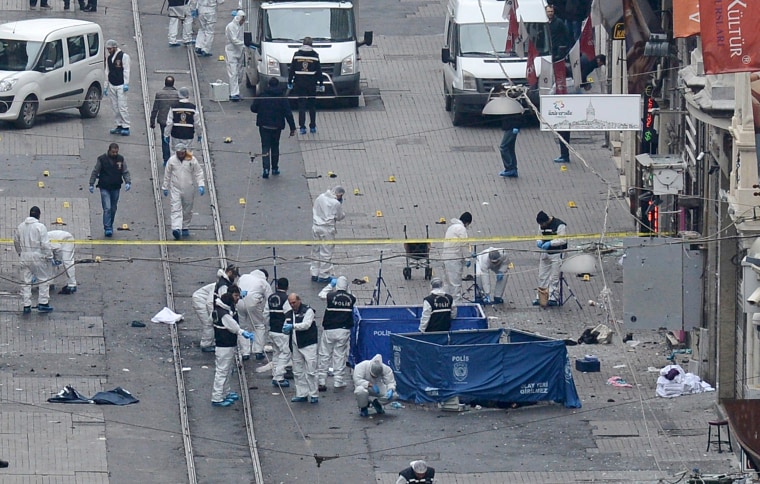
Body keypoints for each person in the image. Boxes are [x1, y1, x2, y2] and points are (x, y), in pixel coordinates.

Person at [211, 288, 255, 407]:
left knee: (226, 370)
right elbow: (233, 326)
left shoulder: (218, 310)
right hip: (225, 345)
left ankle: (225, 392)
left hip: (225, 344)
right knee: (222, 371)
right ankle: (217, 397)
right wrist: (243, 333)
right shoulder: (224, 315)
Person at [250, 77, 296, 178]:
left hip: (264, 125)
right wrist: (292, 128)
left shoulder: (262, 95)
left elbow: (253, 108)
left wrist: (261, 110)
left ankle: (266, 169)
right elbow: (288, 113)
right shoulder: (282, 98)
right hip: (277, 126)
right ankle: (275, 168)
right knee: (275, 146)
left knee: (265, 146)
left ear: (268, 85)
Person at [317, 276, 356, 391]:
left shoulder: (330, 296)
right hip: (344, 330)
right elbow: (352, 297)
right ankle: (338, 381)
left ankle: (321, 380)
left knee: (325, 354)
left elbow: (321, 295)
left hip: (330, 329)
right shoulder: (351, 298)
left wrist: (330, 285)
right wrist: (347, 289)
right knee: (340, 355)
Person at [161, 143, 206, 240]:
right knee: (175, 208)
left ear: (185, 151)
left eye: (182, 152)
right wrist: (165, 186)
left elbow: (198, 172)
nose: (180, 154)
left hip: (188, 188)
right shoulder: (172, 161)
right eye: (179, 153)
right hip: (175, 188)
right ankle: (176, 228)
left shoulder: (191, 160)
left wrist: (201, 184)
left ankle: (185, 226)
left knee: (187, 208)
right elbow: (167, 174)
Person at [14, 206, 54, 314]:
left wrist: (20, 253)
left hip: (24, 256)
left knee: (26, 281)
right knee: (43, 279)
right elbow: (45, 244)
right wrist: (49, 256)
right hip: (37, 256)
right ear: (39, 215)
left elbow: (16, 242)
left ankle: (26, 305)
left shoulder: (20, 226)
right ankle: (43, 303)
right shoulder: (40, 227)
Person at [89, 143, 131, 238]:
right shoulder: (102, 159)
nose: (115, 154)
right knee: (107, 208)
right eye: (113, 152)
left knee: (113, 208)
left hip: (116, 187)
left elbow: (125, 171)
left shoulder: (120, 159)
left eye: (116, 152)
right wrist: (91, 183)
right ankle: (107, 227)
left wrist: (128, 181)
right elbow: (95, 171)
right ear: (109, 151)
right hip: (104, 187)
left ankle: (110, 224)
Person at [285, 293, 319, 403]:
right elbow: (286, 323)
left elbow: (306, 325)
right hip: (296, 344)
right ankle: (301, 393)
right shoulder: (290, 313)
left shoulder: (307, 311)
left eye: (294, 302)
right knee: (297, 370)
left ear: (299, 300)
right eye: (290, 303)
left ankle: (313, 394)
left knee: (311, 371)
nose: (292, 305)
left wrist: (293, 327)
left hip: (308, 344)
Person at [288, 37, 323, 134]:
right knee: (312, 106)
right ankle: (312, 126)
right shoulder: (315, 56)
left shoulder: (297, 55)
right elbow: (319, 71)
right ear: (311, 45)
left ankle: (302, 127)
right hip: (311, 84)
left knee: (301, 106)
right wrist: (321, 83)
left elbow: (292, 70)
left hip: (299, 83)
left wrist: (290, 81)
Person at [310, 186, 346, 282]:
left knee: (315, 250)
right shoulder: (335, 203)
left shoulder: (320, 197)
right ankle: (324, 275)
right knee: (326, 252)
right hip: (327, 228)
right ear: (338, 194)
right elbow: (339, 216)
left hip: (316, 226)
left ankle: (314, 273)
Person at [237, 268, 273, 360]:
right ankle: (258, 351)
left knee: (242, 327)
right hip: (253, 302)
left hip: (239, 301)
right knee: (259, 325)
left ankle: (245, 352)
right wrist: (266, 314)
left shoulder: (244, 277)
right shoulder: (263, 282)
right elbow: (270, 299)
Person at [534, 210, 568, 307]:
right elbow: (539, 236)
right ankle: (541, 297)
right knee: (542, 276)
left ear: (547, 220)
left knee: (554, 277)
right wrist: (539, 241)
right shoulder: (541, 225)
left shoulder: (560, 225)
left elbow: (563, 240)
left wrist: (551, 243)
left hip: (557, 253)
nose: (542, 226)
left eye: (543, 224)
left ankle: (553, 298)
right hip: (545, 253)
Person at [441, 212, 472, 305]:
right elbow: (464, 244)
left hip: (445, 257)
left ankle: (444, 304)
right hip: (454, 259)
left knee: (446, 284)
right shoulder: (461, 229)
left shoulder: (451, 227)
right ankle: (457, 306)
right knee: (455, 284)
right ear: (467, 222)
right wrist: (467, 258)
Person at [266, 277, 292, 387]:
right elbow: (289, 314)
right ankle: (279, 377)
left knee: (276, 353)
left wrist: (268, 326)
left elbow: (265, 314)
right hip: (282, 331)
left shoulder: (271, 298)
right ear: (287, 287)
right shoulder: (286, 299)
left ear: (277, 286)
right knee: (285, 353)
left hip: (272, 330)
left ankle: (274, 373)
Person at [150, 76, 180, 165]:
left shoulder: (159, 93)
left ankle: (166, 159)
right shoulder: (178, 94)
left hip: (163, 120)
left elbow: (155, 108)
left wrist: (152, 120)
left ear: (165, 83)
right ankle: (176, 158)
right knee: (176, 140)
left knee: (164, 140)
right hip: (175, 121)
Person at [104, 40, 131, 136]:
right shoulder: (109, 58)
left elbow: (126, 70)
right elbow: (107, 71)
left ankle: (126, 125)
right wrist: (106, 85)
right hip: (112, 84)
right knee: (115, 106)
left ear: (115, 47)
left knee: (122, 106)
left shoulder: (124, 56)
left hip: (120, 84)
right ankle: (118, 124)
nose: (109, 50)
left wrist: (126, 83)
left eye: (110, 49)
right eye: (108, 49)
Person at [165, 87, 202, 153]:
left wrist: (166, 134)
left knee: (175, 153)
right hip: (188, 134)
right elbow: (197, 123)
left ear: (179, 95)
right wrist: (199, 134)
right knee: (187, 154)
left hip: (176, 134)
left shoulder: (174, 107)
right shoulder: (193, 108)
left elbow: (169, 122)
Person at [225, 10, 246, 102]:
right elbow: (234, 40)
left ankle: (236, 91)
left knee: (240, 73)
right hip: (231, 52)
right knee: (233, 73)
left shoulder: (241, 26)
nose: (243, 22)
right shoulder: (231, 26)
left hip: (240, 52)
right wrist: (244, 44)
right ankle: (234, 93)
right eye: (242, 19)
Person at [48, 230, 77, 295]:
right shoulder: (39, 243)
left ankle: (72, 285)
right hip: (59, 241)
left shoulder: (44, 242)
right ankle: (50, 282)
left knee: (67, 261)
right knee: (50, 263)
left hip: (66, 239)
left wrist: (57, 259)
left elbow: (57, 248)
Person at [192, 282, 216, 352]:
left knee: (210, 323)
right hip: (200, 301)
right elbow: (210, 303)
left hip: (202, 299)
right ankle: (206, 344)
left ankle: (211, 341)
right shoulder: (221, 287)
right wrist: (214, 316)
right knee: (208, 323)